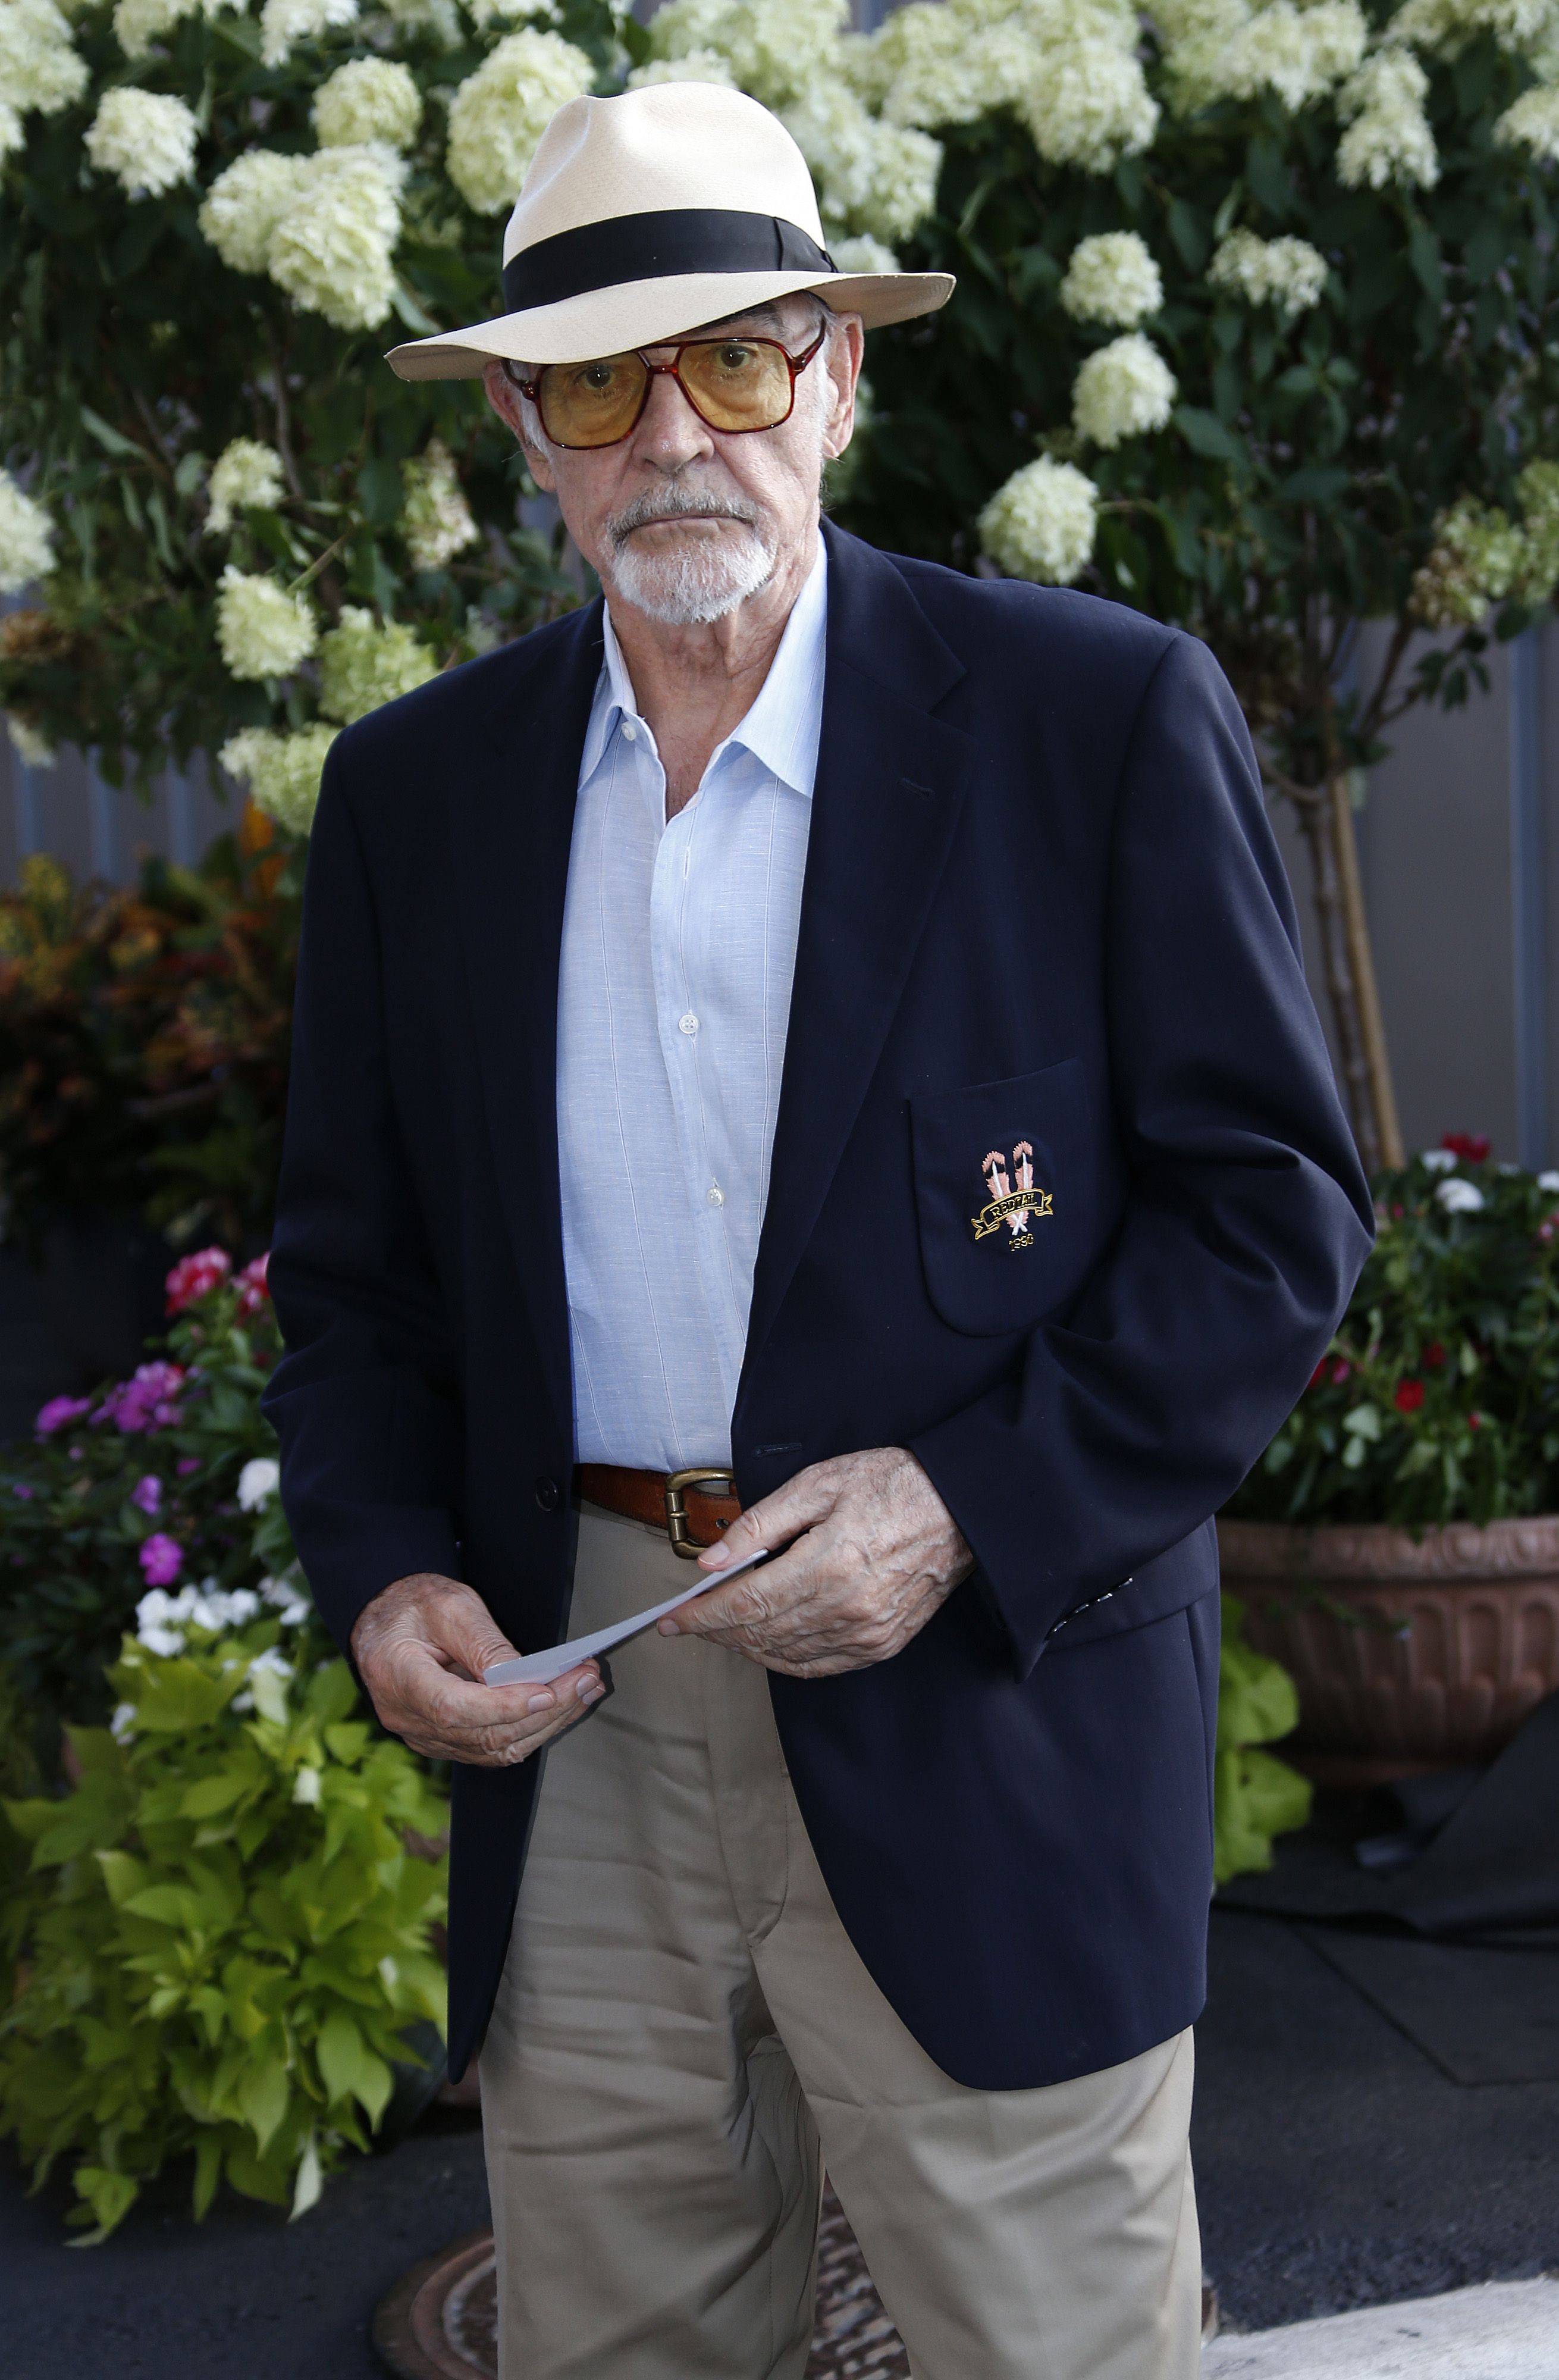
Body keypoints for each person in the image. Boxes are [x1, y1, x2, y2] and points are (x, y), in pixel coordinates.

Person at [262, 79, 1372, 2380]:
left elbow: (1268, 1219)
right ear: (525, 437)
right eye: (594, 379)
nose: (674, 433)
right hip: (577, 1716)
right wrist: (384, 1572)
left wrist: (967, 1504)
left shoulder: (1093, 720)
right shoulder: (417, 802)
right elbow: (355, 1276)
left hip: (979, 1702)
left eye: (738, 360)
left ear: (838, 381)